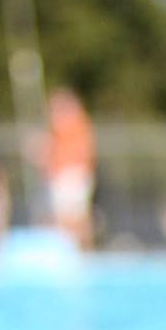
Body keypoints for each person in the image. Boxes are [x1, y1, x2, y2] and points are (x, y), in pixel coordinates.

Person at [39, 87, 98, 250]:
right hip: (62, 176)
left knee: (74, 218)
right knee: (62, 219)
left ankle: (82, 250)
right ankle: (70, 250)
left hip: (72, 175)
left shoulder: (76, 126)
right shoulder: (58, 130)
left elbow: (82, 152)